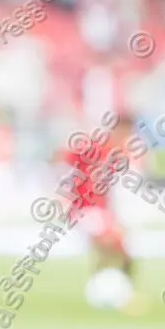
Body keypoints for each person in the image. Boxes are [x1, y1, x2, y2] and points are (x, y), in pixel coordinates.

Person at [62, 115, 141, 311]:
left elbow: (111, 187)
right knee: (113, 245)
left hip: (100, 211)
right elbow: (65, 161)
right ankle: (116, 291)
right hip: (84, 210)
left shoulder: (116, 154)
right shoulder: (94, 148)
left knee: (118, 249)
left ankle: (117, 290)